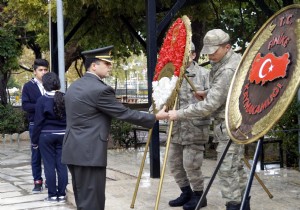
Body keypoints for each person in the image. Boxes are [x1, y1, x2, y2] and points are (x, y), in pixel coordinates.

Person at [61, 45, 168, 210]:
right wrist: (155, 117)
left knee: (83, 198)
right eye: (107, 63)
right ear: (94, 66)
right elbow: (124, 113)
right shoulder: (100, 90)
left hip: (73, 150)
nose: (110, 67)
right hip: (90, 153)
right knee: (93, 202)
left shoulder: (75, 86)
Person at [168, 29, 250, 210]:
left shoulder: (228, 69)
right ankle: (243, 204)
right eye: (208, 51)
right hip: (228, 124)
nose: (210, 55)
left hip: (231, 125)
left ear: (227, 47)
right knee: (235, 167)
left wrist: (179, 114)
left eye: (214, 51)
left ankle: (235, 205)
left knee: (228, 169)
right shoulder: (223, 62)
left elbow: (209, 106)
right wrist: (207, 93)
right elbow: (224, 93)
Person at [168, 42, 210, 210]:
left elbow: (214, 100)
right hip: (176, 129)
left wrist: (205, 96)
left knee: (191, 164)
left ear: (193, 55)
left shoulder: (205, 74)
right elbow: (163, 97)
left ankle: (200, 196)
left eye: (184, 53)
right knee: (174, 163)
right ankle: (186, 192)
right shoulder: (172, 75)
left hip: (195, 128)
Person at [31, 72, 68, 203]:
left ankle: (52, 195)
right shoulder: (66, 97)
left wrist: (34, 142)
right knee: (62, 165)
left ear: (45, 85)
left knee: (49, 166)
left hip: (45, 136)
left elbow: (38, 123)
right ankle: (62, 195)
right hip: (63, 136)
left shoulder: (42, 100)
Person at [22, 59, 49, 193]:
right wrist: (43, 106)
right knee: (36, 154)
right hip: (35, 124)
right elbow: (25, 106)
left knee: (50, 155)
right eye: (40, 70)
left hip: (51, 124)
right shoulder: (28, 86)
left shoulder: (51, 84)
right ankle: (37, 182)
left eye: (45, 70)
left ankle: (50, 180)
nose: (43, 72)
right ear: (34, 71)